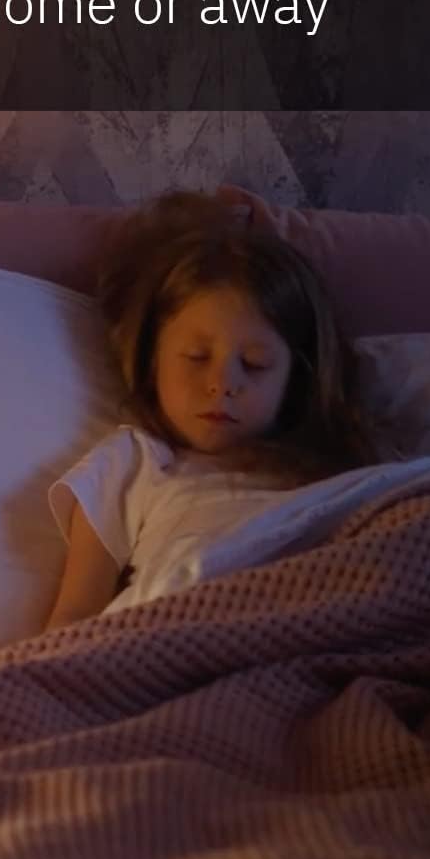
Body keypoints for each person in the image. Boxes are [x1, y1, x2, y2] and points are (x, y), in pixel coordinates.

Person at [43, 190, 395, 632]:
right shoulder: (133, 462)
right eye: (195, 356)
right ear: (152, 359)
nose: (222, 383)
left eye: (254, 365)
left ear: (295, 380)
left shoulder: (335, 472)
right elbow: (74, 617)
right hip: (193, 632)